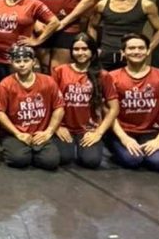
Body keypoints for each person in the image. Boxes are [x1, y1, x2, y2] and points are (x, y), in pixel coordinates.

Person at [51, 34, 119, 169]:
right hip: (64, 126)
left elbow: (114, 108)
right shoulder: (60, 71)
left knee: (91, 161)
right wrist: (56, 127)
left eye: (85, 49)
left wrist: (99, 132)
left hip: (89, 128)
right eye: (76, 49)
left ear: (92, 51)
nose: (80, 52)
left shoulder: (103, 75)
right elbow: (49, 101)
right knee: (64, 158)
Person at [0, 45, 65, 170]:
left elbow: (59, 107)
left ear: (34, 62)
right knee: (19, 160)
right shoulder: (5, 84)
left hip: (40, 133)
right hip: (15, 133)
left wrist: (49, 131)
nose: (22, 64)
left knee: (51, 162)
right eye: (17, 61)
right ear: (12, 63)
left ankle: (32, 151)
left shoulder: (48, 81)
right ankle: (19, 149)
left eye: (26, 61)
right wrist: (18, 134)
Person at [108, 33, 159, 172]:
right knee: (133, 160)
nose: (136, 51)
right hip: (123, 131)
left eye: (141, 48)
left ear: (148, 51)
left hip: (151, 132)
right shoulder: (112, 77)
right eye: (131, 48)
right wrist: (124, 138)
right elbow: (108, 112)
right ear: (123, 53)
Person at [88, 0, 159, 71]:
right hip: (105, 55)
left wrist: (148, 49)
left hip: (131, 55)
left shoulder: (146, 5)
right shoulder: (102, 5)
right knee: (101, 81)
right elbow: (92, 26)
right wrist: (93, 49)